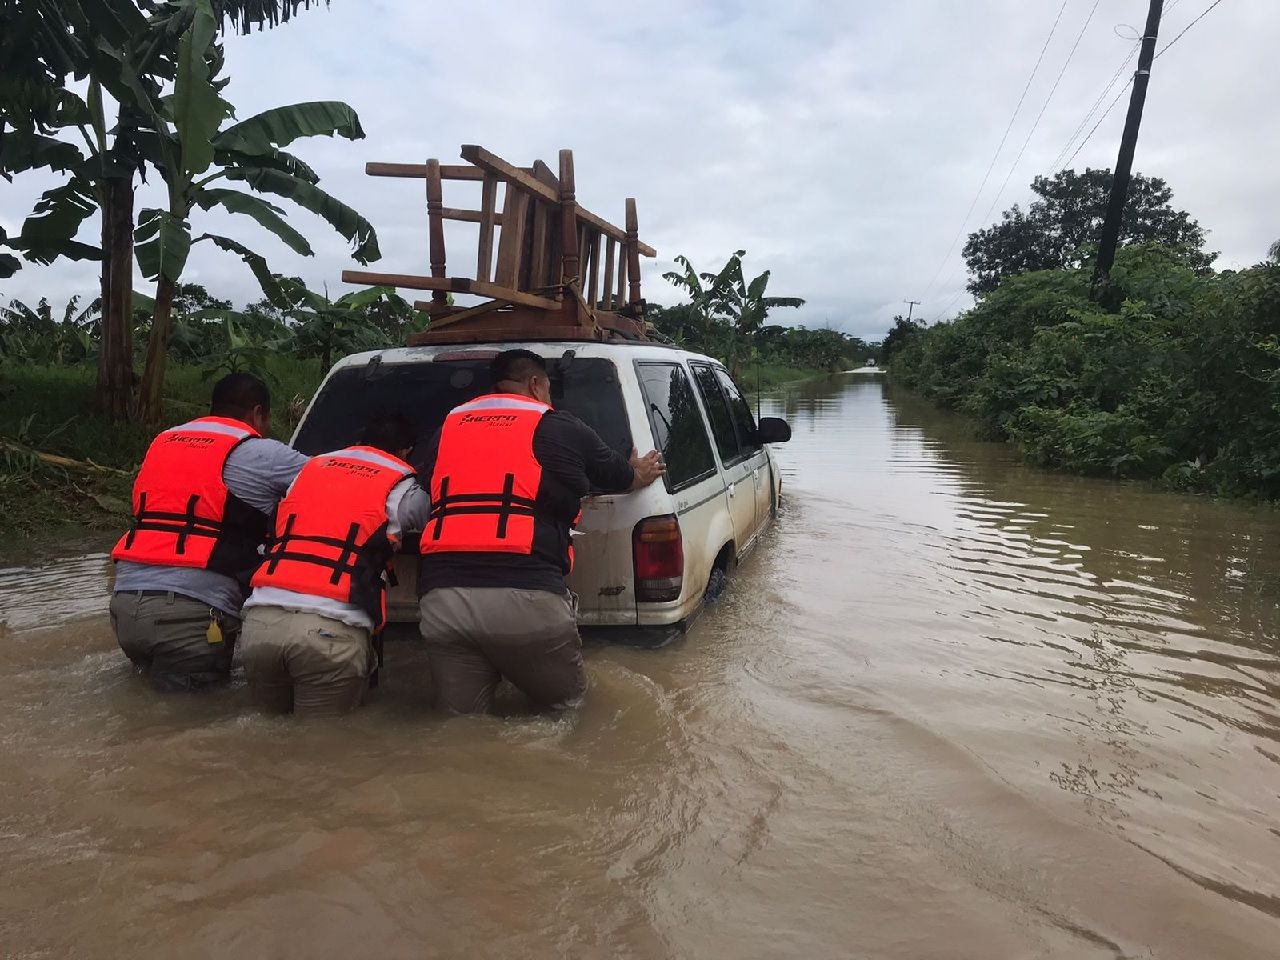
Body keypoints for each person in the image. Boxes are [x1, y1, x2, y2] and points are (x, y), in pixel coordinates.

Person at [416, 349, 665, 715]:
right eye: (549, 390)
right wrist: (639, 472)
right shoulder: (558, 426)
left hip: (442, 603)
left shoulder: (448, 427)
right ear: (535, 385)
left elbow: (425, 483)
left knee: (460, 725)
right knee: (569, 714)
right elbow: (619, 475)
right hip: (527, 598)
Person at [110, 373, 308, 691]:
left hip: (124, 606)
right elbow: (333, 483)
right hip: (190, 616)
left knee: (146, 705)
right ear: (258, 413)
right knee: (188, 727)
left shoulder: (164, 440)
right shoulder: (265, 454)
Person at [238, 415, 430, 717]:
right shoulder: (404, 486)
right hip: (330, 630)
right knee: (323, 749)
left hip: (260, 624)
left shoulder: (309, 469)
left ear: (358, 441)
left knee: (265, 739)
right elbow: (420, 526)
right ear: (407, 452)